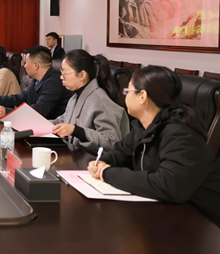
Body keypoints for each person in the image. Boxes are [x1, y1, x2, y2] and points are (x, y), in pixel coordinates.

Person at [89, 66, 220, 227]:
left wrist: (108, 173)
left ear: (142, 96)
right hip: (165, 215)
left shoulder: (180, 134)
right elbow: (122, 152)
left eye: (127, 91)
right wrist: (103, 161)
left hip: (204, 225)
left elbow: (169, 186)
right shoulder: (142, 126)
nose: (125, 96)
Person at [50, 50, 129, 154]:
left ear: (82, 75)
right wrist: (40, 124)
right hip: (75, 154)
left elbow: (111, 141)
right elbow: (64, 120)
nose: (61, 77)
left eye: (65, 73)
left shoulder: (100, 101)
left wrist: (77, 131)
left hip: (93, 160)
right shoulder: (75, 97)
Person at [0, 45, 71, 119]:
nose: (24, 66)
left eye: (26, 63)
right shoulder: (37, 79)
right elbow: (22, 97)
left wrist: (7, 111)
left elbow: (40, 109)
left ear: (35, 65)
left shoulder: (54, 82)